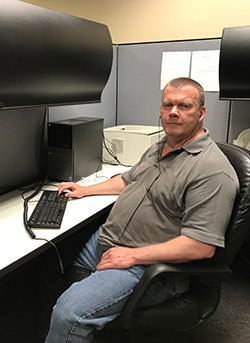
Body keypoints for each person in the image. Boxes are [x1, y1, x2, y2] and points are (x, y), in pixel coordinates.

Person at [45, 77, 239, 343]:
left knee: (70, 314)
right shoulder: (160, 147)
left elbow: (200, 246)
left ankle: (74, 321)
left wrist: (132, 256)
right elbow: (127, 180)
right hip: (107, 242)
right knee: (45, 252)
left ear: (201, 112)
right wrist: (85, 189)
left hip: (147, 267)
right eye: (168, 104)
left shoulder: (212, 171)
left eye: (184, 106)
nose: (173, 111)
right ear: (160, 109)